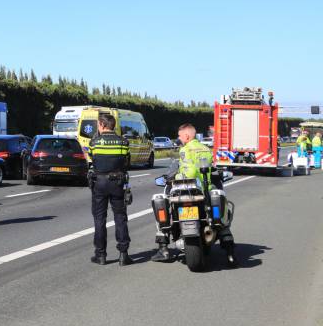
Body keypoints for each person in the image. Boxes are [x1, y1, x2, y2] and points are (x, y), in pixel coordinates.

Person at [152, 123, 237, 267]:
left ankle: (163, 248)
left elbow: (188, 170)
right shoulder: (205, 149)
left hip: (189, 189)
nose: (179, 139)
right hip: (206, 189)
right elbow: (211, 169)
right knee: (222, 216)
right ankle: (229, 250)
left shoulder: (185, 150)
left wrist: (177, 177)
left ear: (186, 136)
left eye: (179, 136)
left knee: (164, 204)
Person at [88, 113, 132, 266]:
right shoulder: (123, 142)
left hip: (99, 183)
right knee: (120, 217)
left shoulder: (94, 142)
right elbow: (127, 162)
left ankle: (100, 255)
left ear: (102, 125)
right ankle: (123, 255)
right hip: (117, 182)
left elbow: (91, 160)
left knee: (100, 219)